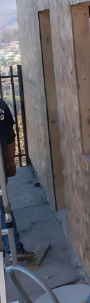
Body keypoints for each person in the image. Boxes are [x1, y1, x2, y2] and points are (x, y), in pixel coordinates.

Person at [0, 97, 34, 261]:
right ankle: (15, 247)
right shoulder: (0, 106)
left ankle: (15, 247)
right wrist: (10, 161)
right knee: (2, 206)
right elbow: (9, 136)